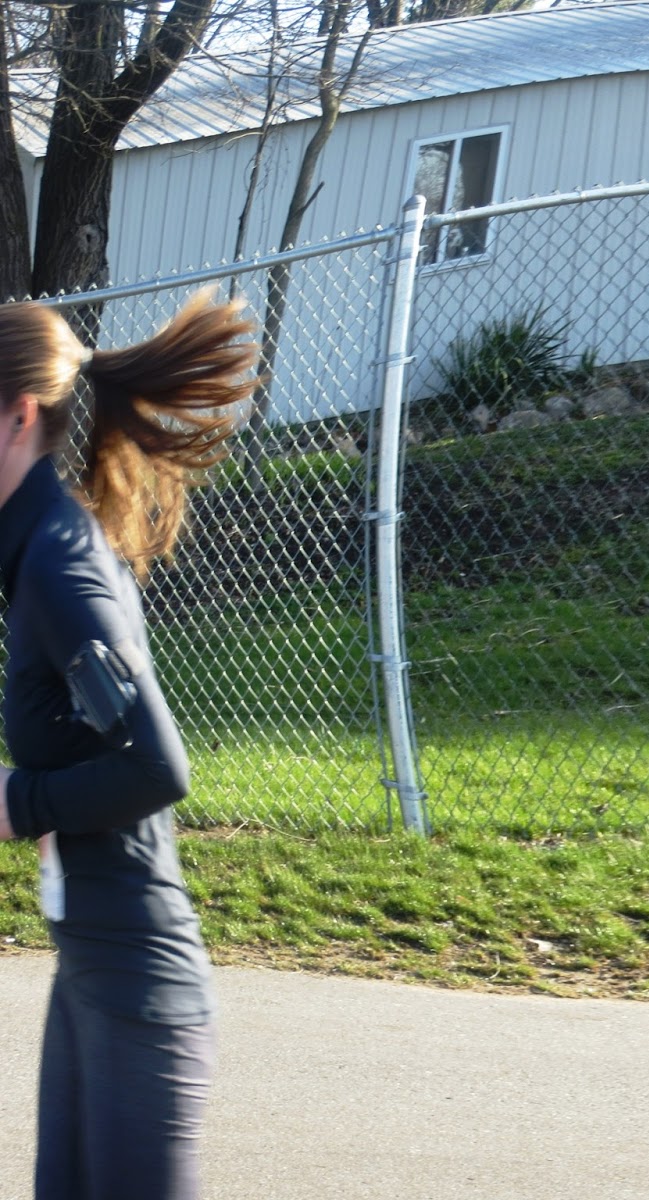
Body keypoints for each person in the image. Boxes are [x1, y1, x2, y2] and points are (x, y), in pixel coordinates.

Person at [0, 292, 259, 1199]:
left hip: (139, 988)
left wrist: (15, 802)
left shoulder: (60, 565)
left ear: (17, 418)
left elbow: (157, 764)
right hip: (93, 971)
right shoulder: (35, 550)